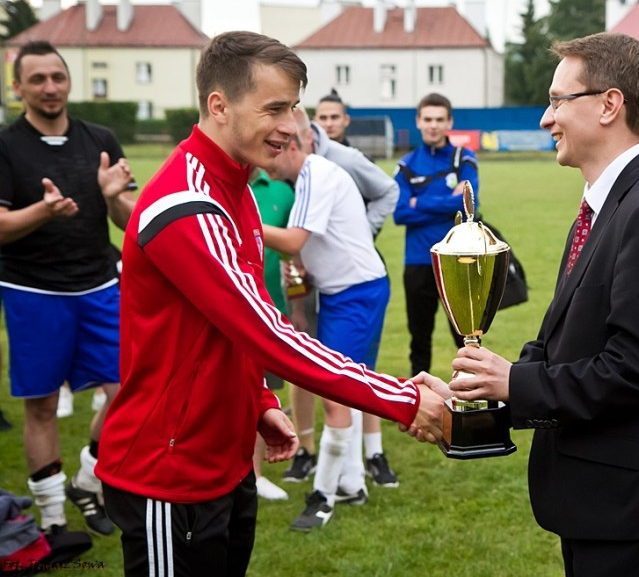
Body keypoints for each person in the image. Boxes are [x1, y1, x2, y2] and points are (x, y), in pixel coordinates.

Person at [94, 31, 445, 576]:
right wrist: (402, 398)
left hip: (225, 463)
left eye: (294, 108)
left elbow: (234, 323)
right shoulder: (188, 202)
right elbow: (267, 332)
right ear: (219, 106)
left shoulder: (237, 190)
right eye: (275, 108)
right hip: (169, 473)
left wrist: (258, 401)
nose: (291, 125)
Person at [417, 33, 639, 576]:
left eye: (558, 100)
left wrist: (515, 382)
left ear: (609, 105)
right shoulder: (607, 205)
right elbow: (569, 345)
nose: (544, 118)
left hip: (634, 506)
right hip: (603, 499)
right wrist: (480, 397)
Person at [0, 40, 136, 537]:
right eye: (37, 79)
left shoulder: (99, 138)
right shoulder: (6, 144)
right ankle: (54, 517)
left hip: (100, 285)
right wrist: (44, 211)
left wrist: (113, 196)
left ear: (69, 80)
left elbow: (129, 223)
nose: (50, 87)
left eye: (57, 77)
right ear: (18, 88)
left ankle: (87, 477)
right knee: (40, 405)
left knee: (129, 392)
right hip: (33, 292)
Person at [264, 110, 392, 530]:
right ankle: (352, 483)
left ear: (295, 146)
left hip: (356, 294)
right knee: (346, 388)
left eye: (273, 152)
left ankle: (323, 495)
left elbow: (294, 240)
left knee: (334, 392)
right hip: (347, 293)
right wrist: (299, 305)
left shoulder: (317, 173)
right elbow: (299, 254)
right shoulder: (303, 179)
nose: (266, 163)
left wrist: (238, 220)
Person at [393, 93, 476, 376]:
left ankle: (475, 397)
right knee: (419, 337)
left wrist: (420, 201)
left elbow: (466, 202)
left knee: (466, 336)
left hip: (457, 259)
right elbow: (399, 213)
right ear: (418, 121)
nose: (433, 125)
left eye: (440, 119)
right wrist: (445, 203)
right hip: (417, 261)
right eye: (428, 119)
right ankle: (418, 403)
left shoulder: (463, 157)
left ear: (449, 122)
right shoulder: (406, 165)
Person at [249, 167, 295, 501]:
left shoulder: (282, 192)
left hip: (272, 306)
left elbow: (296, 245)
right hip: (231, 307)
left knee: (261, 393)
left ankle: (255, 474)